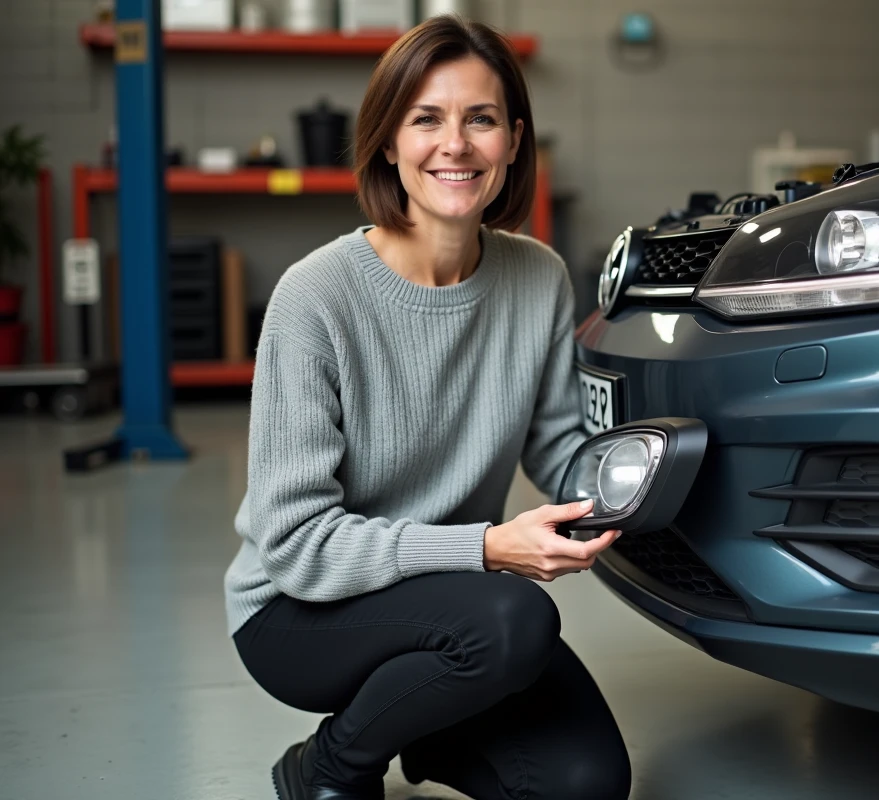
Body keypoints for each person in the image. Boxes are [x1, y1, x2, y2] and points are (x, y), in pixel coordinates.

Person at [222, 15, 632, 800]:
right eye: (426, 119)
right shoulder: (316, 296)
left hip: (455, 606)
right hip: (300, 608)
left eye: (480, 119)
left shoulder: (538, 278)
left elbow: (555, 447)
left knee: (588, 786)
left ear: (513, 141)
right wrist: (486, 549)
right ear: (387, 142)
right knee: (514, 622)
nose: (456, 145)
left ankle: (427, 725)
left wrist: (634, 473)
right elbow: (297, 543)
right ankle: (331, 768)